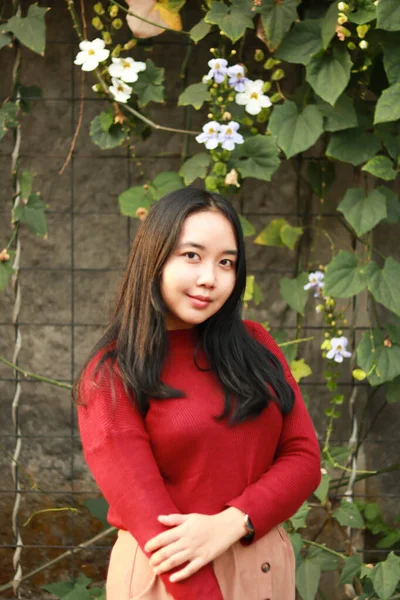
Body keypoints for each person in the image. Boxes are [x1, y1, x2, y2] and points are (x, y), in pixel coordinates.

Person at [75, 188, 321, 600]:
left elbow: (303, 458)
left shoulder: (255, 344)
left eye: (226, 262)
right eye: (192, 256)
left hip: (264, 568)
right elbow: (158, 534)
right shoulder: (113, 373)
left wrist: (233, 522)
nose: (210, 277)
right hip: (171, 581)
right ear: (154, 259)